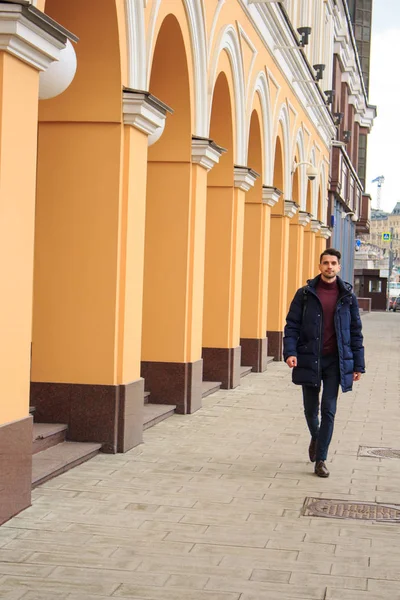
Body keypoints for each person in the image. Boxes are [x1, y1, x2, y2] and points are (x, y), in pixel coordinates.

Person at [283, 248, 365, 477]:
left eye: (333, 263)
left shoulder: (347, 296)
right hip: (310, 359)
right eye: (325, 263)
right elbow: (292, 326)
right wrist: (290, 352)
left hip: (335, 362)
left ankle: (321, 459)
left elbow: (355, 332)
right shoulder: (305, 294)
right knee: (311, 410)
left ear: (339, 267)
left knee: (329, 409)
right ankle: (317, 437)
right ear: (320, 266)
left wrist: (358, 365)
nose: (329, 267)